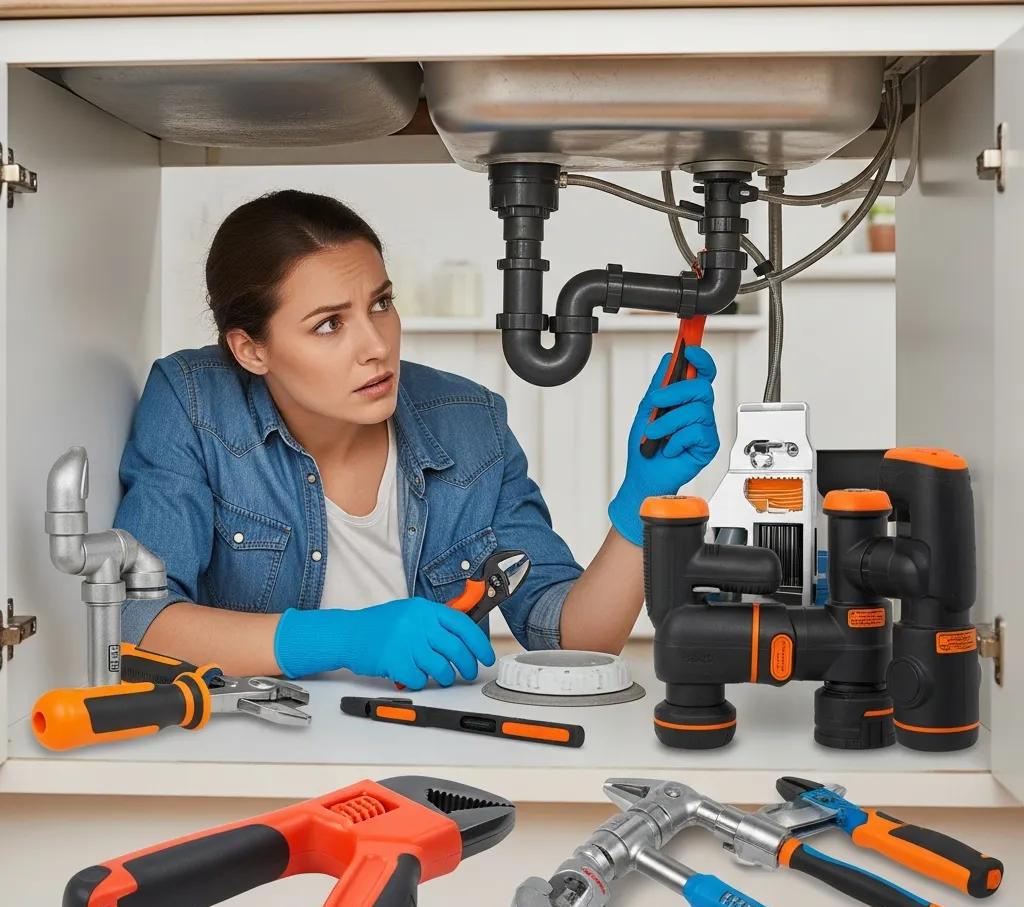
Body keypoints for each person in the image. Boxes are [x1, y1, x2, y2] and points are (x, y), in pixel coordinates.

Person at [115, 190, 719, 689]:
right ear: (251, 349)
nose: (375, 345)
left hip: (436, 745)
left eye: (381, 303)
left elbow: (570, 637)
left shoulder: (470, 421)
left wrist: (644, 501)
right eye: (329, 324)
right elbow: (135, 623)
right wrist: (347, 639)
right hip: (254, 748)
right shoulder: (193, 403)